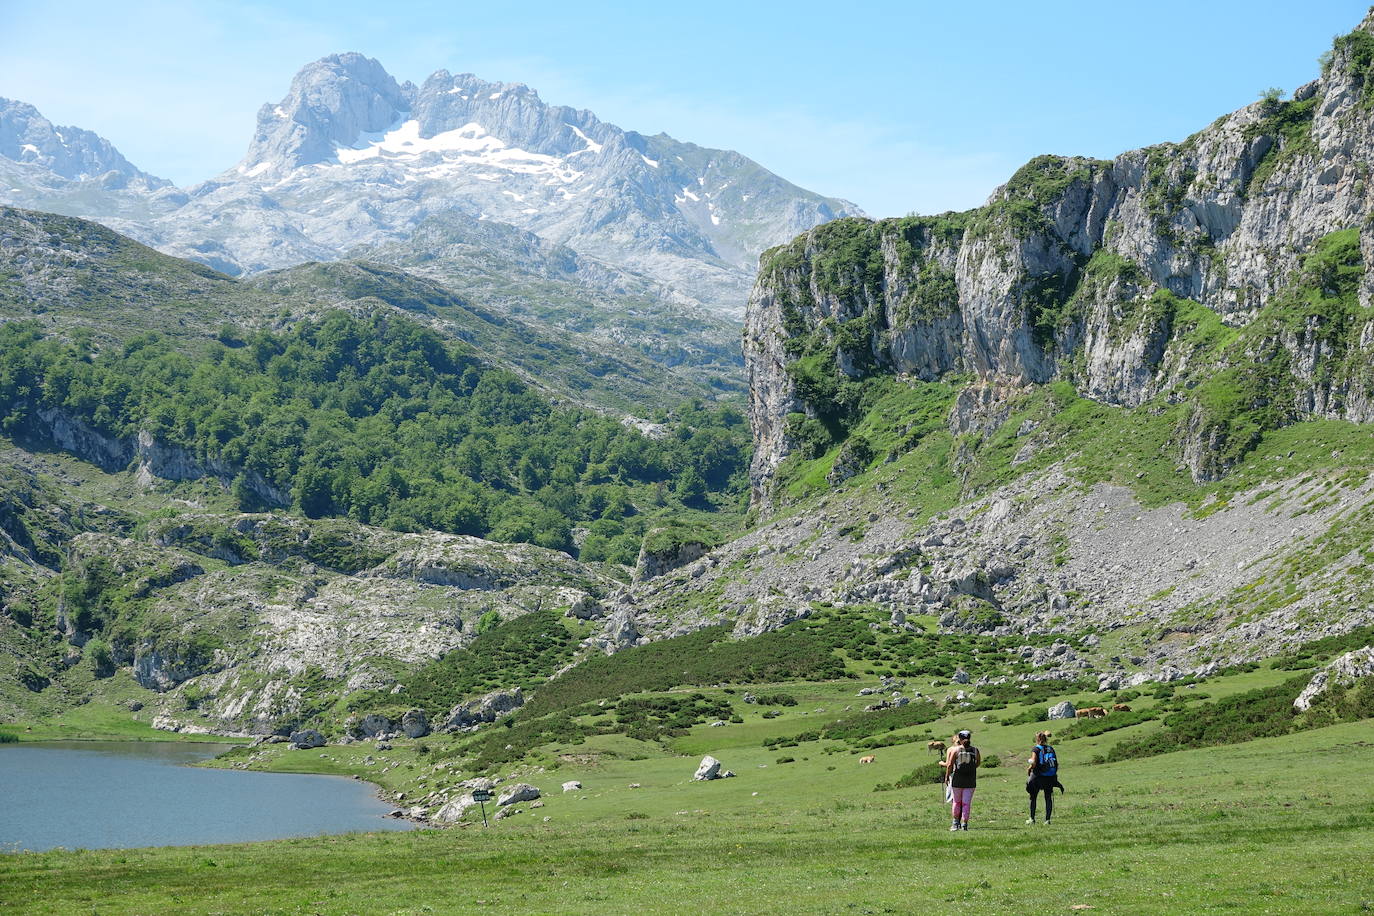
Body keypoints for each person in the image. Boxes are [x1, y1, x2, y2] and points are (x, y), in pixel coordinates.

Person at [943, 729, 980, 830]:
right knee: (966, 803)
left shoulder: (955, 750)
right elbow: (978, 763)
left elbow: (950, 765)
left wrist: (947, 776)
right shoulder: (975, 750)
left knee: (956, 802)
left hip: (957, 780)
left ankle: (955, 824)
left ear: (960, 738)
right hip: (971, 781)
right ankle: (965, 824)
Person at [1025, 730, 1064, 824]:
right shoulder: (1051, 748)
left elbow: (1033, 762)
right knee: (1048, 797)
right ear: (1046, 739)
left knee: (1033, 796)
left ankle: (1032, 819)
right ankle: (1047, 820)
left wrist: (1029, 768)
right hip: (1049, 777)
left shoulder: (1036, 749)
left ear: (1037, 739)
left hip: (1038, 776)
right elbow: (1056, 763)